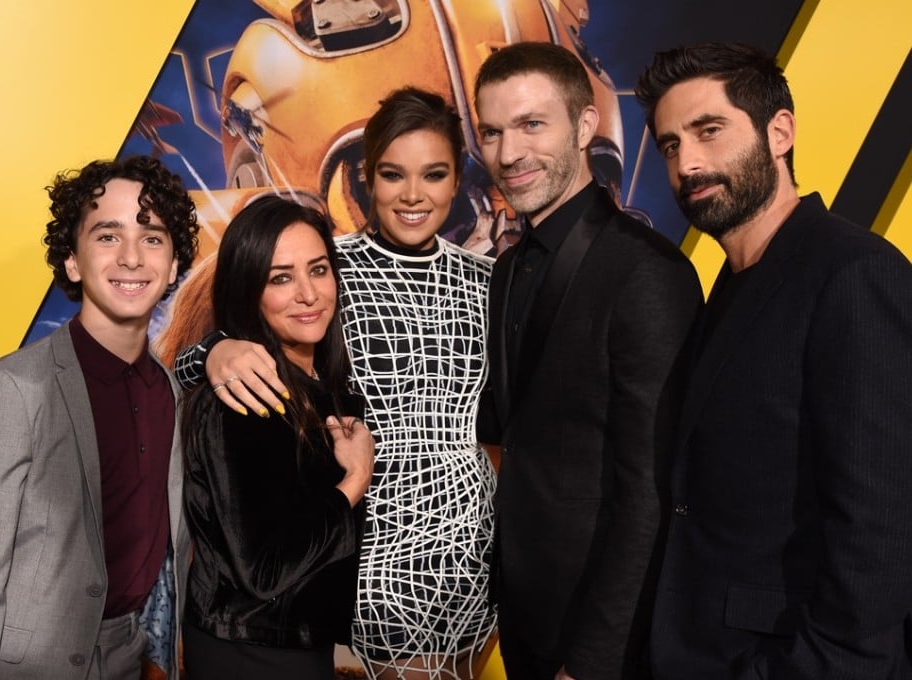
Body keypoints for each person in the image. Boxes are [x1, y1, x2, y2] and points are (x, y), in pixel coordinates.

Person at [173, 87, 497, 679]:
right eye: (393, 174)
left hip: (470, 574)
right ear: (365, 177)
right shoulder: (319, 261)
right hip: (346, 582)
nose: (413, 195)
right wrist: (216, 351)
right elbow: (186, 358)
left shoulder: (493, 282)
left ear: (458, 180)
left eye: (435, 173)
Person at [635, 41, 912, 679]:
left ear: (779, 131)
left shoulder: (854, 274)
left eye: (709, 131)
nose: (689, 163)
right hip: (701, 652)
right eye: (672, 145)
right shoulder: (730, 285)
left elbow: (880, 535)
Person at [473, 42, 703, 680]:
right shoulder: (509, 269)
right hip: (522, 616)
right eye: (491, 132)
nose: (508, 153)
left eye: (531, 124)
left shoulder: (648, 273)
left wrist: (595, 659)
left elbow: (650, 493)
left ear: (584, 125)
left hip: (597, 637)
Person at [0, 155, 199, 679]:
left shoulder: (169, 393)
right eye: (107, 236)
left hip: (132, 656)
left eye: (151, 238)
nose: (131, 257)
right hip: (32, 664)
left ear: (173, 265)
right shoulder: (14, 387)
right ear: (73, 261)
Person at [179, 195, 373, 679]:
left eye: (319, 269)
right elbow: (266, 569)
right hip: (249, 651)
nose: (308, 294)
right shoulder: (245, 396)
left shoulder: (326, 387)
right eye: (281, 278)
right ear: (249, 290)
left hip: (296, 642)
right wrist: (354, 480)